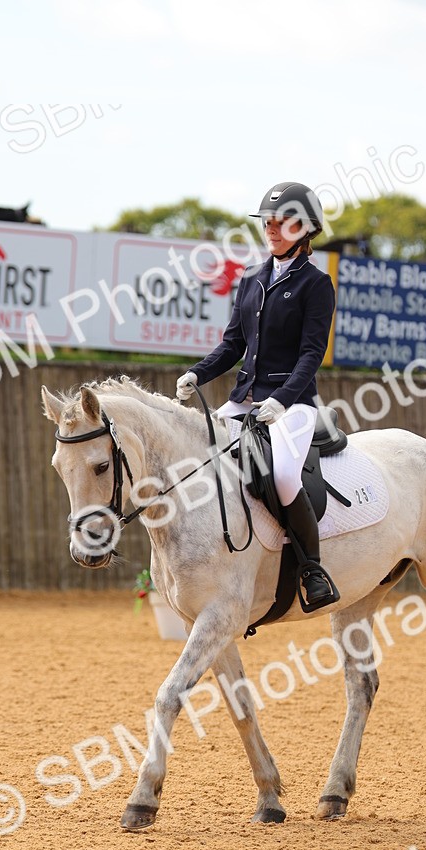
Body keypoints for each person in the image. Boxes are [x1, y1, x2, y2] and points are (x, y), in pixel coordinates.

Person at [176, 180, 340, 610]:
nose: (270, 228)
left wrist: (283, 399)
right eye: (266, 221)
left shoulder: (316, 285)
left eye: (281, 221)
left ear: (305, 229)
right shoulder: (252, 279)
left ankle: (313, 570)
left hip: (295, 404)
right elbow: (233, 344)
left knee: (283, 477)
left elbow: (311, 354)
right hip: (246, 397)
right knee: (200, 457)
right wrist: (198, 372)